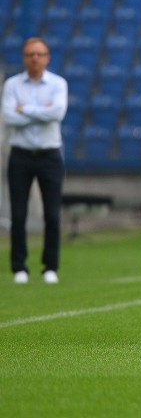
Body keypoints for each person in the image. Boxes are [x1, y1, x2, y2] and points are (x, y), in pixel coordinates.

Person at [2, 37, 67, 284]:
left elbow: (57, 113)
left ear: (47, 57)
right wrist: (40, 112)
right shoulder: (12, 85)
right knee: (18, 214)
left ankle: (50, 267)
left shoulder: (58, 84)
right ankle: (19, 267)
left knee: (52, 215)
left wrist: (24, 109)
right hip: (20, 154)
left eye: (39, 54)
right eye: (30, 54)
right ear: (24, 58)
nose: (35, 58)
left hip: (49, 155)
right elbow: (9, 117)